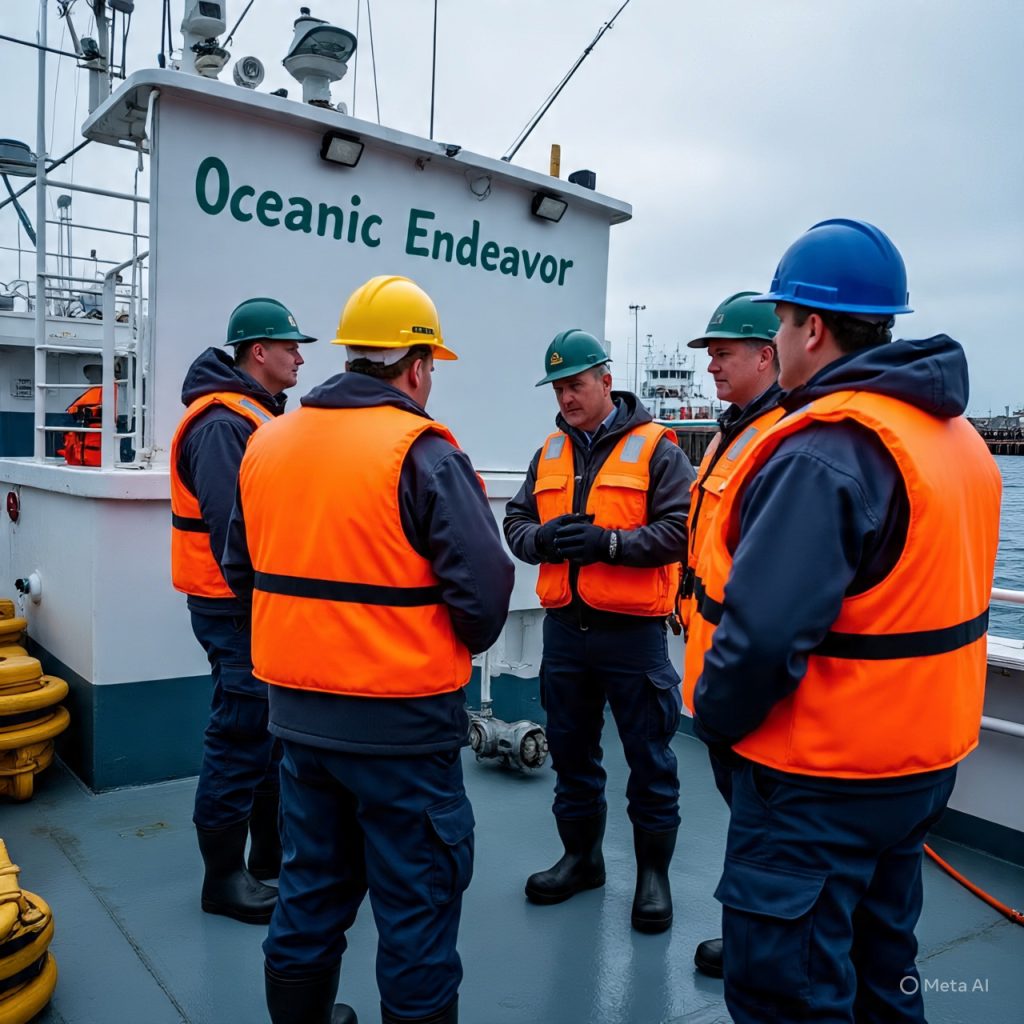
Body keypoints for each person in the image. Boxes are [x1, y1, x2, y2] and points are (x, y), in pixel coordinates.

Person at [685, 219, 1001, 1022]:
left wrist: (715, 724)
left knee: (790, 994)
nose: (781, 339)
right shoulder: (957, 438)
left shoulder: (824, 452)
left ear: (812, 328)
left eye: (783, 322)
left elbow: (759, 640)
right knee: (883, 969)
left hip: (817, 784)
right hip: (917, 769)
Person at [222, 275, 514, 1024]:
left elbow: (238, 568)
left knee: (310, 889)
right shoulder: (422, 452)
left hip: (298, 726)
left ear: (353, 356)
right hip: (402, 733)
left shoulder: (268, 442)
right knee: (415, 907)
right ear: (417, 366)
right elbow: (482, 606)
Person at [503, 330, 695, 933]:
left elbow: (682, 530)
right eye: (558, 387)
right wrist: (541, 540)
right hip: (567, 632)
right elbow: (515, 522)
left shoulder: (657, 449)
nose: (567, 397)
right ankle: (581, 861)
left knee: (649, 759)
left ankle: (653, 879)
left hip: (631, 635)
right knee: (571, 753)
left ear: (606, 381)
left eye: (576, 385)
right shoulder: (549, 453)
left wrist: (608, 544)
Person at [170, 297, 315, 924]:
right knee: (239, 736)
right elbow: (240, 532)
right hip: (236, 608)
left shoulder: (254, 416)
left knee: (264, 737)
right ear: (259, 352)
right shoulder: (224, 425)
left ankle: (268, 859)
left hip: (252, 607)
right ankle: (222, 880)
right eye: (290, 347)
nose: (300, 357)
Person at [679, 291, 782, 978]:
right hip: (711, 667)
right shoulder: (730, 431)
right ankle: (746, 934)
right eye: (710, 354)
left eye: (723, 352)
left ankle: (757, 946)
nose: (711, 365)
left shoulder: (781, 439)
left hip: (745, 679)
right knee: (745, 819)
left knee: (764, 832)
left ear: (766, 355)